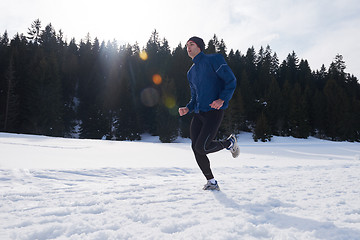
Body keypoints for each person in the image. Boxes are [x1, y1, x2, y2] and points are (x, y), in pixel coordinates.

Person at [178, 36, 239, 191]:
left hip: (214, 111)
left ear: (199, 47)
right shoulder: (190, 73)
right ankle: (211, 182)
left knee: (202, 147)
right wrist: (188, 108)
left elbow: (231, 81)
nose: (188, 48)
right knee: (195, 148)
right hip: (199, 114)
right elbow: (195, 96)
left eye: (191, 44)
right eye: (186, 46)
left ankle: (229, 143)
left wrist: (222, 99)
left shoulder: (214, 60)